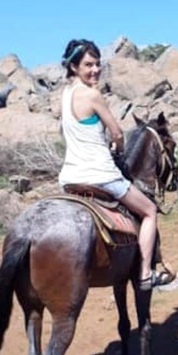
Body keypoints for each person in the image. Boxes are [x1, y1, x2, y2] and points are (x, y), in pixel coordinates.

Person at [58, 39, 163, 290]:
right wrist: (118, 148)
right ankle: (146, 273)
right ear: (73, 67)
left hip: (70, 177)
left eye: (97, 64)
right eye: (87, 65)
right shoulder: (92, 94)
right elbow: (116, 132)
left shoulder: (65, 95)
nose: (95, 70)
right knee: (149, 211)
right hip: (101, 175)